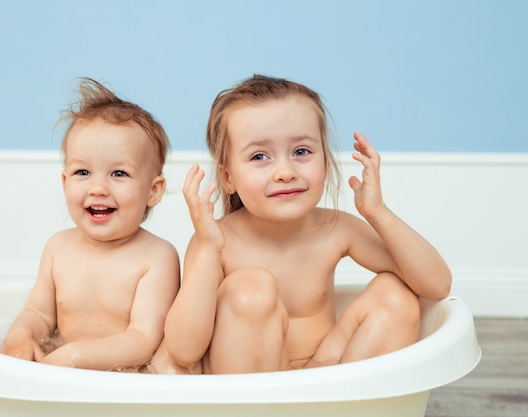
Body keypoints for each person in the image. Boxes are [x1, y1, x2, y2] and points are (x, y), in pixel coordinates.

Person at [164, 74, 452, 374]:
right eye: (260, 156)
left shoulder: (336, 229)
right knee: (250, 288)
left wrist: (378, 213)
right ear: (228, 178)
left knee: (397, 293)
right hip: (253, 385)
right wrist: (209, 249)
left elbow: (436, 285)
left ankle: (348, 402)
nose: (286, 172)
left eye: (301, 152)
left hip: (325, 373)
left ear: (325, 161)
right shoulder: (217, 241)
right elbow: (184, 352)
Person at [3, 78, 186, 373]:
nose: (98, 188)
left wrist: (74, 356)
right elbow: (38, 313)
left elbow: (143, 340)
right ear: (65, 183)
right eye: (83, 171)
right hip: (63, 369)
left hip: (123, 381)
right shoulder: (58, 248)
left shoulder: (157, 256)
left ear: (153, 191)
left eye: (119, 173)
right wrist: (19, 338)